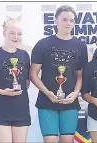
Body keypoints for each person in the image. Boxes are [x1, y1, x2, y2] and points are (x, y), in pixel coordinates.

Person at [30, 5, 88, 143]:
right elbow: (33, 74)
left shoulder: (80, 46)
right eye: (65, 19)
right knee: (50, 140)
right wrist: (47, 92)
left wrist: (75, 94)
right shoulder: (43, 44)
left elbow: (80, 75)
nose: (68, 23)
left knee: (67, 140)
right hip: (46, 102)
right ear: (56, 21)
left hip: (70, 102)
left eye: (72, 20)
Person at [0, 19, 31, 143]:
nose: (16, 37)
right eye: (12, 33)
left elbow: (27, 80)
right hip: (0, 110)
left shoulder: (25, 55)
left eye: (19, 34)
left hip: (21, 109)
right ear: (4, 33)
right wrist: (3, 92)